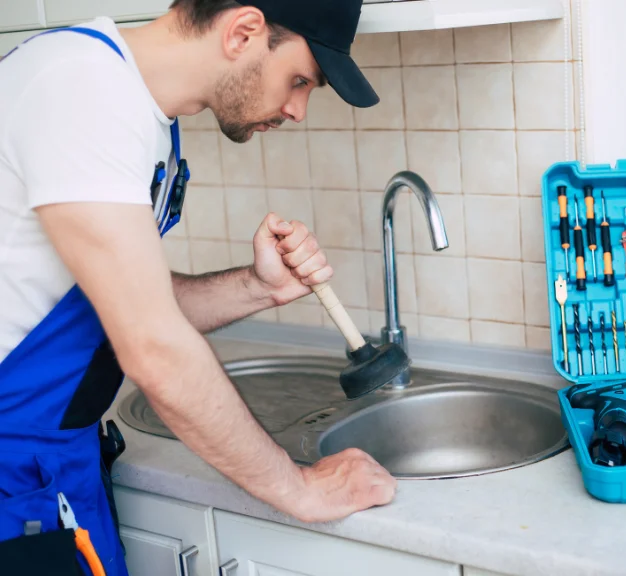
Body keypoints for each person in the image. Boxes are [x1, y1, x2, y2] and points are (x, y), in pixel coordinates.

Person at [0, 0, 397, 573]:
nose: (298, 109)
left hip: (54, 460)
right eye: (300, 80)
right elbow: (153, 347)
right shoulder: (81, 92)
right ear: (243, 31)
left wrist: (259, 287)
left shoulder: (141, 112)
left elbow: (117, 305)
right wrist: (301, 489)